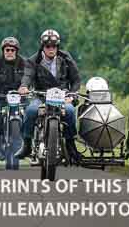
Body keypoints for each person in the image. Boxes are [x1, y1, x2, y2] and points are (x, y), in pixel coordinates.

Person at [15, 28, 80, 160]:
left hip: (62, 96)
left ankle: (70, 144)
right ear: (42, 46)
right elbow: (27, 76)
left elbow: (76, 79)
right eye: (48, 46)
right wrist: (23, 86)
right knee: (31, 111)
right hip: (41, 96)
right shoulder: (33, 60)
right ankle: (26, 145)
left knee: (70, 111)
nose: (51, 49)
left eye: (54, 46)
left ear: (58, 46)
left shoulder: (66, 58)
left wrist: (72, 95)